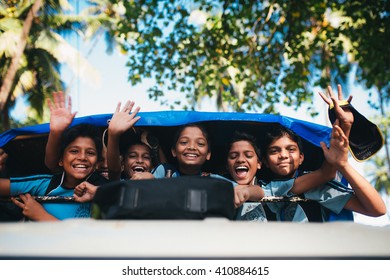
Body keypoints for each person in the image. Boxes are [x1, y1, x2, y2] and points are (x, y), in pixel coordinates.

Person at [0, 123, 107, 221]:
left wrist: (41, 216)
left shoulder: (103, 191)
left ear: (97, 163)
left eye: (90, 153)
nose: (83, 157)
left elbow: (83, 240)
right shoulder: (45, 184)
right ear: (60, 160)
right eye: (74, 151)